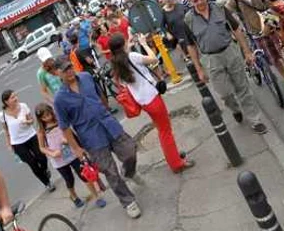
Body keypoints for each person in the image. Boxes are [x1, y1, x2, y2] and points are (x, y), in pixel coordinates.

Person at [51, 56, 142, 219]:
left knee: (130, 151)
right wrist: (76, 148)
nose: (70, 71)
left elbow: (101, 96)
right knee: (111, 172)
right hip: (92, 138)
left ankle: (129, 172)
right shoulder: (60, 99)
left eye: (70, 67)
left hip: (109, 125)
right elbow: (64, 127)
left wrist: (105, 110)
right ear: (58, 73)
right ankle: (128, 201)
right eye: (65, 70)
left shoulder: (86, 77)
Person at [183, 0, 268, 135]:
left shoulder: (220, 8)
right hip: (210, 59)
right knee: (224, 93)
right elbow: (190, 46)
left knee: (242, 87)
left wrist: (247, 52)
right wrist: (199, 69)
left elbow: (236, 30)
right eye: (195, 0)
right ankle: (234, 108)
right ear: (190, 2)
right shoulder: (188, 19)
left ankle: (255, 120)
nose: (200, 2)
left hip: (230, 51)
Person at [109, 34, 195, 173]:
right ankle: (176, 163)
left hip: (143, 101)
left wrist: (129, 46)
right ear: (122, 45)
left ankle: (173, 156)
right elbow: (153, 59)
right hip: (152, 98)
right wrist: (144, 44)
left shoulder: (117, 64)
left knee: (162, 130)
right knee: (165, 131)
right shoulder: (132, 57)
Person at [35, 103, 106, 209]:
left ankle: (96, 197)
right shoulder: (41, 131)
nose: (47, 118)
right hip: (59, 160)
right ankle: (73, 196)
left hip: (72, 154)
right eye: (44, 117)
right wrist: (52, 153)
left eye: (48, 115)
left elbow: (71, 134)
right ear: (40, 119)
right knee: (69, 180)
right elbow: (41, 147)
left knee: (84, 175)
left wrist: (68, 140)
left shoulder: (60, 122)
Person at [225, 0, 284, 79]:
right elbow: (226, 12)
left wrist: (270, 22)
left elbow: (270, 4)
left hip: (272, 26)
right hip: (256, 32)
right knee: (274, 59)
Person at [0, 90, 55, 192]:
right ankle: (47, 183)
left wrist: (27, 122)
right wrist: (9, 144)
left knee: (41, 157)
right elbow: (6, 130)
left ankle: (45, 170)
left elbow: (32, 120)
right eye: (12, 97)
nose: (16, 98)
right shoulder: (2, 115)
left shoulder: (23, 106)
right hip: (17, 143)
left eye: (15, 96)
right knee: (32, 163)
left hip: (31, 136)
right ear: (6, 101)